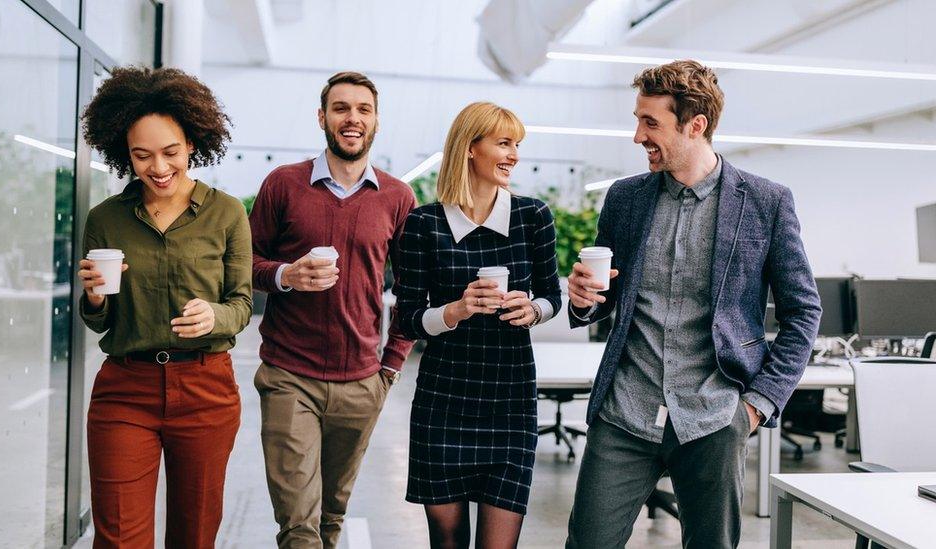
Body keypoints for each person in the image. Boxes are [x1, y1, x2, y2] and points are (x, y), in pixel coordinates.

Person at [564, 60, 822, 549]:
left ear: (695, 125)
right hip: (626, 413)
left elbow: (803, 311)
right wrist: (583, 299)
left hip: (713, 417)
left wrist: (757, 405)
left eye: (650, 122)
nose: (637, 135)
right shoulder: (626, 199)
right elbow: (603, 298)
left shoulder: (765, 202)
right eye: (638, 120)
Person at [77, 66, 251, 548]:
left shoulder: (227, 213)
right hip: (125, 391)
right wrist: (94, 296)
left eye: (171, 151)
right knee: (118, 538)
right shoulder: (106, 219)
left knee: (194, 536)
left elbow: (241, 303)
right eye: (142, 155)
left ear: (193, 143)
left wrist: (214, 316)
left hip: (205, 388)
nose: (158, 167)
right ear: (124, 153)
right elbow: (101, 320)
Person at [249, 71, 416, 549]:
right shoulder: (283, 185)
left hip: (363, 380)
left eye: (363, 110)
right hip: (289, 374)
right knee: (298, 525)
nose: (352, 119)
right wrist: (286, 276)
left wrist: (392, 363)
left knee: (331, 517)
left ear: (376, 122)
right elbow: (242, 264)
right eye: (341, 108)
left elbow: (412, 287)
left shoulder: (397, 196)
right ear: (322, 118)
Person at [395, 102, 562, 549]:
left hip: (510, 399)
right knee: (447, 542)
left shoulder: (533, 216)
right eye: (504, 143)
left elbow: (552, 296)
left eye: (516, 145)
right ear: (470, 149)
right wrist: (457, 309)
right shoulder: (423, 224)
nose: (513, 155)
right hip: (444, 399)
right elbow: (407, 320)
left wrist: (533, 310)